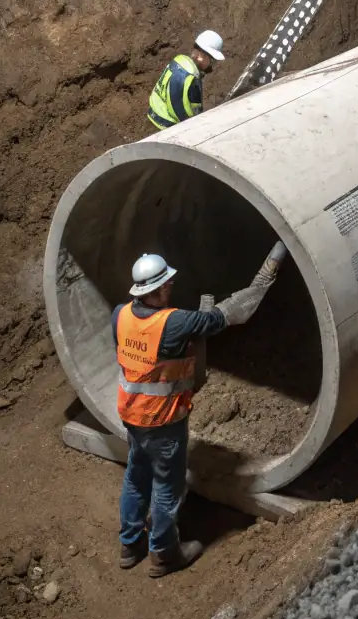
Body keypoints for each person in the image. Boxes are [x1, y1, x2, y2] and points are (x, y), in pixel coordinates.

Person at [114, 244, 286, 576]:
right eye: (168, 284)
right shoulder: (175, 323)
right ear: (158, 288)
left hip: (132, 416)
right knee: (168, 486)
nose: (171, 287)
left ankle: (129, 544)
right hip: (164, 421)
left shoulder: (120, 314)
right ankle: (164, 553)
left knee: (136, 477)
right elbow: (231, 314)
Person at [147, 29, 225, 130]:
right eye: (212, 60)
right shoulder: (192, 78)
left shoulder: (179, 60)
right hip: (167, 125)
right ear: (202, 56)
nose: (212, 65)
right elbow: (193, 115)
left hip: (153, 113)